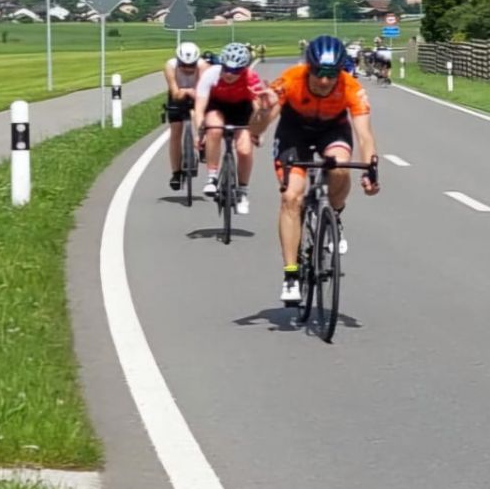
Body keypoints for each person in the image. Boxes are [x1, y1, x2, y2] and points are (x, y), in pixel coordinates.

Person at [254, 35, 380, 306]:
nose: (324, 81)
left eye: (331, 74)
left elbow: (364, 135)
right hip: (294, 133)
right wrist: (261, 113)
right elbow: (258, 128)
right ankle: (290, 274)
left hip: (332, 130)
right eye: (318, 73)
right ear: (308, 67)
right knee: (291, 197)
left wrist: (370, 171)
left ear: (340, 71)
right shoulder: (290, 80)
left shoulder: (351, 87)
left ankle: (334, 215)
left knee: (340, 167)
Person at [194, 43, 265, 214]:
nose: (229, 74)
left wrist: (257, 131)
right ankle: (212, 177)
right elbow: (199, 107)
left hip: (242, 109)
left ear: (244, 68)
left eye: (236, 71)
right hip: (217, 106)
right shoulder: (211, 74)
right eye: (226, 69)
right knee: (214, 129)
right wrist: (200, 133)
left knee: (245, 150)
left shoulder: (251, 78)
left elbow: (258, 109)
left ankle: (243, 192)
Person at [162, 41, 203, 189]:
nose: (188, 69)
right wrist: (185, 91)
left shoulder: (202, 66)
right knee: (176, 130)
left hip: (198, 95)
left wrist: (191, 93)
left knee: (197, 115)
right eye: (184, 65)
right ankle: (176, 173)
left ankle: (202, 142)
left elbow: (202, 92)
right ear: (178, 62)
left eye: (191, 65)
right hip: (177, 96)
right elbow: (175, 93)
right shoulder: (170, 66)